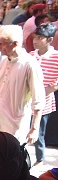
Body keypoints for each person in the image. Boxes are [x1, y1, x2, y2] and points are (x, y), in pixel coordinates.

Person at [0, 25, 44, 145]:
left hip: (14, 125)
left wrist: (34, 129)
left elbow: (38, 99)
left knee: (10, 157)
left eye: (2, 44)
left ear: (15, 43)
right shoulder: (3, 62)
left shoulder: (30, 65)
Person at [30, 22, 58, 166]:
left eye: (40, 38)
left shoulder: (56, 57)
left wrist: (44, 91)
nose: (35, 40)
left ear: (49, 40)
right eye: (35, 37)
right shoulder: (30, 56)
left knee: (39, 131)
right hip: (28, 100)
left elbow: (56, 83)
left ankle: (40, 159)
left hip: (45, 102)